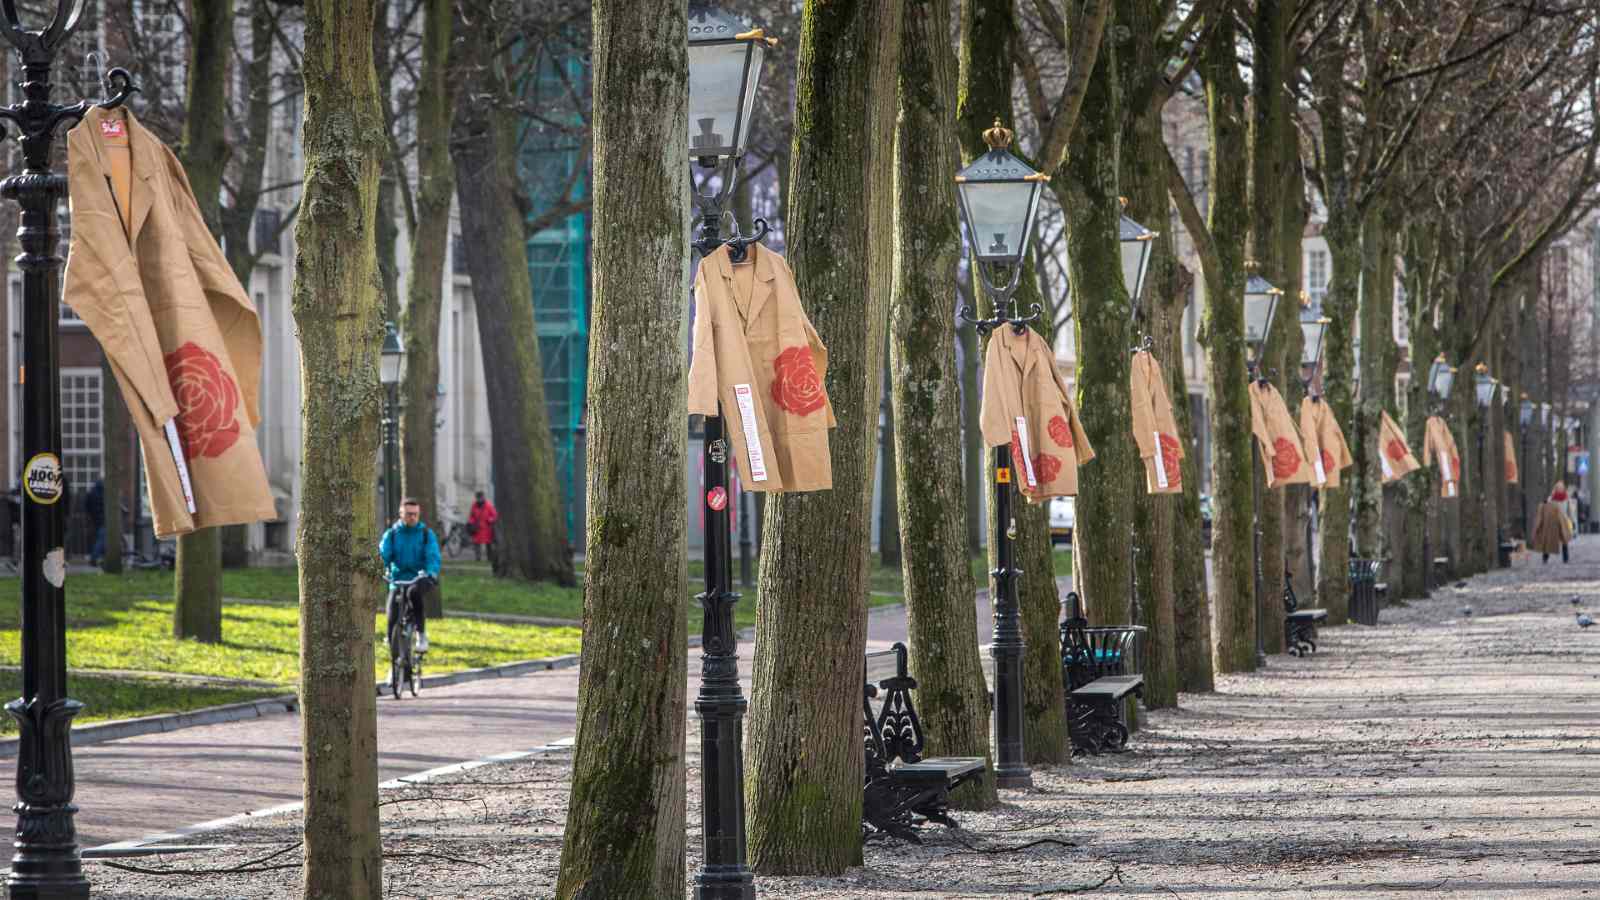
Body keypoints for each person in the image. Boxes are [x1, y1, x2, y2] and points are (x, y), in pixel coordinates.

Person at [378, 498, 441, 654]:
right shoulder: (392, 534)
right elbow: (383, 554)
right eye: (408, 514)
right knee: (392, 611)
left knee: (414, 593)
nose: (412, 517)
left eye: (415, 514)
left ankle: (421, 634)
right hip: (398, 578)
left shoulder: (426, 534)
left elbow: (433, 556)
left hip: (419, 578)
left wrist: (431, 572)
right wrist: (380, 567)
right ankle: (394, 662)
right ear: (401, 514)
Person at [1531, 481, 1574, 564]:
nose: (1560, 489)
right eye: (1558, 487)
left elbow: (1570, 511)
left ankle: (1566, 558)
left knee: (1565, 540)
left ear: (1563, 488)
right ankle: (1545, 557)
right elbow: (1546, 509)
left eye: (1561, 487)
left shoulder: (1566, 498)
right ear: (1555, 488)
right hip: (1552, 522)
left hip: (1563, 521)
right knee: (1549, 540)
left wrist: (1572, 521)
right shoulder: (1551, 498)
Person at [467, 490, 498, 563]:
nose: (479, 499)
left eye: (480, 498)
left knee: (488, 544)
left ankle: (489, 558)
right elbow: (472, 516)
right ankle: (478, 557)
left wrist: (490, 520)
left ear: (483, 497)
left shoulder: (488, 505)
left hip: (487, 528)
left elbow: (494, 515)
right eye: (478, 498)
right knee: (476, 543)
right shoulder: (474, 505)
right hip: (477, 527)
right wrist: (471, 522)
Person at [86, 478, 105, 567]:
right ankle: (94, 557)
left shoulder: (91, 493)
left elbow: (86, 505)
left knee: (99, 538)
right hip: (103, 519)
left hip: (94, 519)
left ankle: (97, 557)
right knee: (101, 539)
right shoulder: (102, 494)